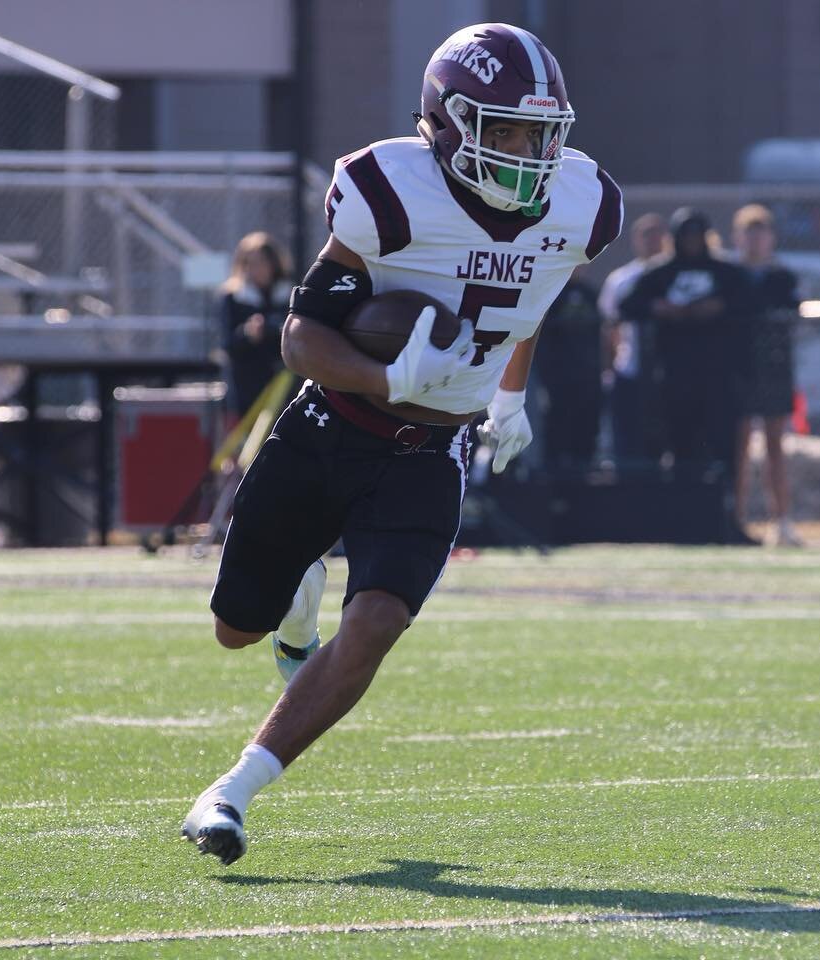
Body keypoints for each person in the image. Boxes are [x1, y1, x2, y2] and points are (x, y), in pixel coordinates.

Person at [181, 22, 622, 865]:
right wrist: (388, 379)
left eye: (544, 133)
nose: (531, 153)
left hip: (433, 449)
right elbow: (302, 338)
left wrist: (510, 394)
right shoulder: (389, 189)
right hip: (331, 427)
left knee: (379, 620)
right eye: (510, 130)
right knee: (236, 630)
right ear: (448, 123)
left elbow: (532, 290)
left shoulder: (583, 201)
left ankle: (231, 791)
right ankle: (297, 598)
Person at [620, 208, 748, 492]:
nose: (692, 242)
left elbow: (751, 302)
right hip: (675, 375)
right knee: (680, 444)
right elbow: (627, 305)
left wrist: (720, 307)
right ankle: (683, 509)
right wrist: (659, 308)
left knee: (723, 446)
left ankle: (725, 514)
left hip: (719, 376)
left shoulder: (726, 272)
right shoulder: (660, 273)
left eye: (696, 236)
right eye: (686, 236)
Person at [729, 204, 802, 546]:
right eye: (749, 232)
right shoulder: (728, 274)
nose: (755, 240)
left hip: (773, 368)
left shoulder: (782, 277)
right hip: (739, 369)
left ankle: (782, 521)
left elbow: (788, 314)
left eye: (761, 233)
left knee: (775, 446)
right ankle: (736, 517)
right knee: (738, 448)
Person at [597, 213, 667, 467]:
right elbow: (609, 327)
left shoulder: (671, 274)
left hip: (665, 372)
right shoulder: (621, 279)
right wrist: (611, 367)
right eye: (646, 236)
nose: (652, 241)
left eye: (657, 235)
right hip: (629, 369)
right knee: (627, 440)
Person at [217, 232, 293, 419]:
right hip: (248, 389)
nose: (257, 269)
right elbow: (227, 344)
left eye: (262, 262)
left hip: (285, 386)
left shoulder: (290, 294)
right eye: (250, 263)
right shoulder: (233, 297)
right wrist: (248, 334)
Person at [533, 275, 604, 473]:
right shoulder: (547, 292)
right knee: (556, 429)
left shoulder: (590, 293)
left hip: (588, 377)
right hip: (554, 379)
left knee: (586, 431)